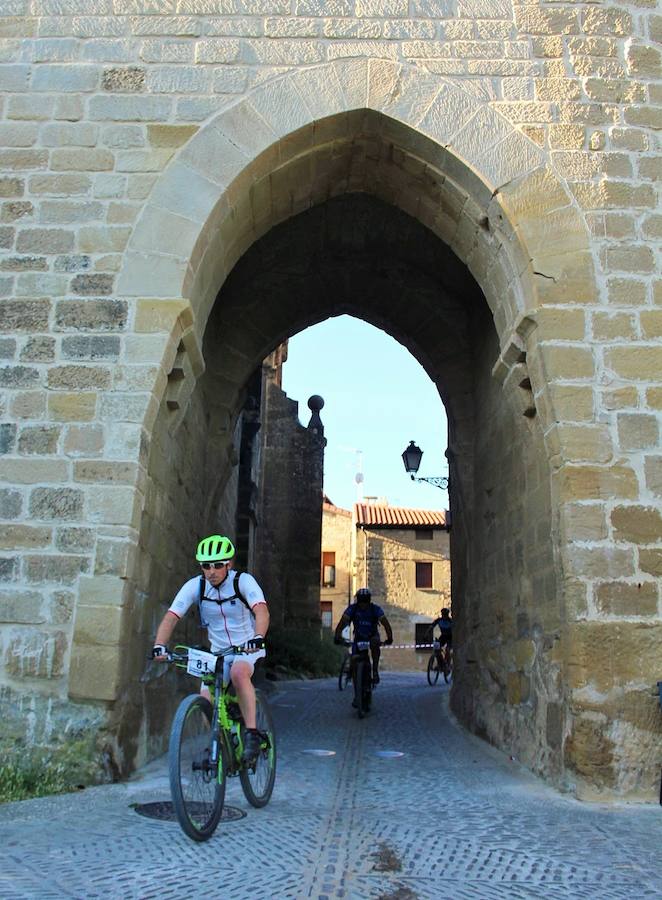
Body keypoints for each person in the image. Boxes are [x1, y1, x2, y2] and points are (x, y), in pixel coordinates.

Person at [151, 534, 269, 763]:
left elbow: (261, 611)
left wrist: (257, 637)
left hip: (247, 649)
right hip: (218, 653)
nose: (211, 571)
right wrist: (159, 645)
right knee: (205, 697)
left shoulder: (243, 582)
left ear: (229, 564)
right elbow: (172, 616)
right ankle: (220, 742)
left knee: (238, 673)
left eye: (217, 565)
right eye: (206, 566)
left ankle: (252, 734)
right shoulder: (196, 586)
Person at [334, 588, 393, 685]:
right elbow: (342, 623)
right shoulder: (352, 609)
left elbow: (386, 624)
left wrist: (389, 638)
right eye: (361, 601)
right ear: (358, 600)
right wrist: (337, 635)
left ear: (369, 600)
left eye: (365, 601)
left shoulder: (375, 609)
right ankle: (355, 684)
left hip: (372, 636)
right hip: (359, 637)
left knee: (375, 645)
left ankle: (375, 671)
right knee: (353, 659)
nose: (363, 604)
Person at [428, 607, 452, 671]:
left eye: (445, 615)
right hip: (443, 636)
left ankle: (448, 666)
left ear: (447, 614)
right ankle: (440, 664)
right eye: (443, 614)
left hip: (451, 637)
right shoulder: (439, 620)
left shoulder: (451, 621)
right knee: (436, 649)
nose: (444, 616)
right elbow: (431, 627)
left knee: (447, 650)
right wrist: (426, 635)